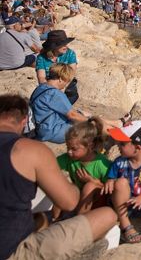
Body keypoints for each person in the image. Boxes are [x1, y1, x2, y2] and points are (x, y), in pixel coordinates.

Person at [0, 93, 118, 259]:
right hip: (12, 251)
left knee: (42, 216)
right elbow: (69, 202)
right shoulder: (30, 149)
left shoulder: (101, 163)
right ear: (24, 121)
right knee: (109, 216)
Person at [30, 64, 120, 144]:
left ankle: (114, 124)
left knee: (82, 114)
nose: (65, 85)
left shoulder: (42, 87)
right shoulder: (54, 94)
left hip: (43, 127)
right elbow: (72, 115)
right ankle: (110, 131)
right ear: (61, 79)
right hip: (52, 131)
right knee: (88, 125)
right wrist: (92, 123)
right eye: (66, 81)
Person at [55, 119, 112, 216]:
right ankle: (54, 219)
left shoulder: (102, 164)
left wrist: (91, 181)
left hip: (97, 204)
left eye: (74, 149)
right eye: (67, 147)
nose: (69, 152)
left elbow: (109, 191)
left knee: (90, 187)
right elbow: (50, 165)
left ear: (90, 146)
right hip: (78, 199)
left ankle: (79, 222)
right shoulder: (69, 158)